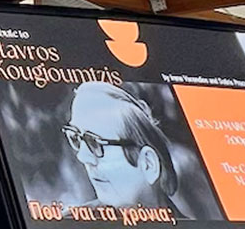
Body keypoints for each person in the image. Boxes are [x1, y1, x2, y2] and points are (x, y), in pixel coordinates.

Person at [61, 82, 182, 213]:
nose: (82, 157)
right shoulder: (67, 224)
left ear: (148, 163)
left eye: (95, 142)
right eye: (75, 137)